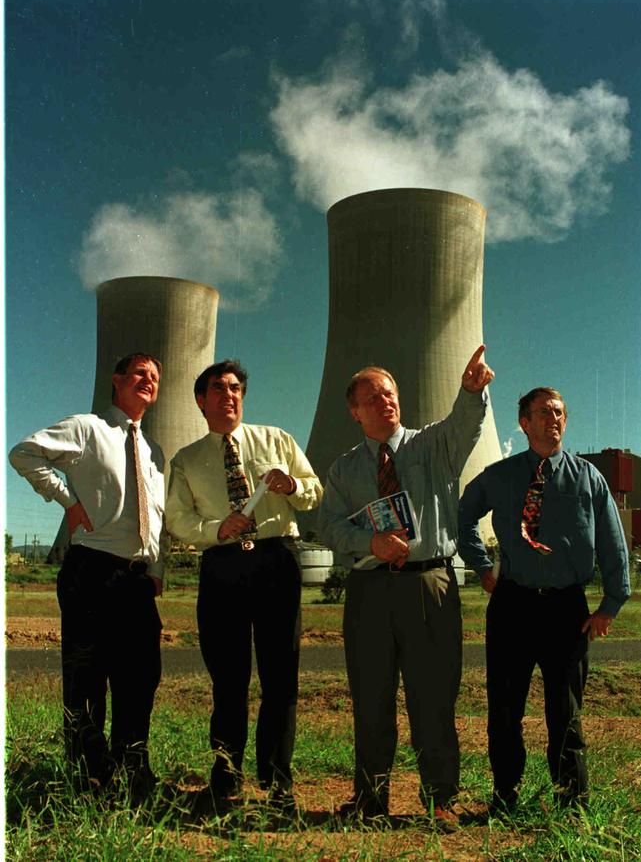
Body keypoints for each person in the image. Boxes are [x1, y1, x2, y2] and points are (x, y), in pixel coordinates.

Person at [318, 345, 495, 826]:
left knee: (434, 696)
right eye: (373, 397)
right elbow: (329, 526)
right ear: (355, 411)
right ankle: (370, 800)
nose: (386, 402)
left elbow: (465, 425)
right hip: (370, 592)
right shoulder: (345, 469)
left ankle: (440, 798)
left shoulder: (430, 444)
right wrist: (369, 543)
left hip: (429, 585)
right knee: (371, 697)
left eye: (391, 393)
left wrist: (472, 391)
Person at [458, 387, 630, 815]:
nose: (553, 418)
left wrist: (611, 603)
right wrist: (482, 565)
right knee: (504, 707)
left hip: (565, 610)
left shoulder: (588, 478)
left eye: (559, 412)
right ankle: (505, 795)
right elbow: (461, 516)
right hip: (513, 605)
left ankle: (572, 801)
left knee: (565, 709)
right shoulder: (501, 476)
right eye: (543, 412)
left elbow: (612, 541)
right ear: (524, 422)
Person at [165, 360, 323, 812]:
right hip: (223, 567)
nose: (229, 396)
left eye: (235, 388)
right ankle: (226, 777)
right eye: (218, 389)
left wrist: (291, 484)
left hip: (276, 561)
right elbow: (177, 518)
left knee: (280, 677)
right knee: (228, 678)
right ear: (201, 400)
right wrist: (218, 527)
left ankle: (278, 780)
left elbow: (314, 490)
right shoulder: (187, 459)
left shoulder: (277, 440)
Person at [9, 353, 165, 800]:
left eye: (154, 378)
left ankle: (133, 770)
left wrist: (154, 567)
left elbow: (156, 515)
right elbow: (23, 453)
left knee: (139, 678)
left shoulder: (153, 450)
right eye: (139, 373)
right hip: (92, 570)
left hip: (136, 581)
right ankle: (87, 779)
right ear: (116, 381)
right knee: (87, 680)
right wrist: (66, 501)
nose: (148, 382)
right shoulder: (87, 428)